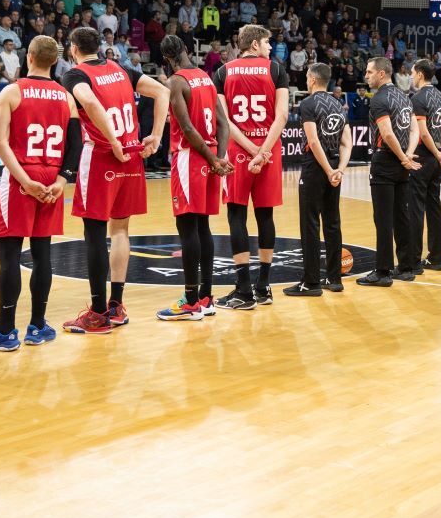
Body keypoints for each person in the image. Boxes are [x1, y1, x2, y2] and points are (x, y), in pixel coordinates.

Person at [0, 36, 92, 351]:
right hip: (51, 179)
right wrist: (62, 180)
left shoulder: (11, 92)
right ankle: (38, 326)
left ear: (30, 57)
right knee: (42, 255)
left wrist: (24, 180)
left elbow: (0, 144)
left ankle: (6, 330)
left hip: (20, 177)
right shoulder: (66, 97)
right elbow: (75, 143)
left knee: (10, 254)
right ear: (54, 61)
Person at [61, 26, 169, 334]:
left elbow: (91, 103)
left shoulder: (75, 75)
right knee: (120, 229)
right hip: (132, 157)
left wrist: (113, 140)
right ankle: (116, 306)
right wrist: (156, 136)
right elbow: (163, 91)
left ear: (73, 49)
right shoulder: (121, 69)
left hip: (102, 156)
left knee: (94, 233)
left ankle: (96, 313)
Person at [213, 24, 290, 310]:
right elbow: (282, 115)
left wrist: (251, 150)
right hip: (269, 152)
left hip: (238, 152)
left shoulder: (222, 72)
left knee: (236, 215)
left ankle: (243, 289)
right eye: (268, 43)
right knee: (265, 215)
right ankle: (264, 286)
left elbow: (225, 122)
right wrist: (264, 151)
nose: (271, 48)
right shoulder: (275, 69)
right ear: (255, 44)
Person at [156, 35, 233, 319]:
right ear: (187, 50)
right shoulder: (206, 77)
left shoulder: (176, 81)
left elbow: (187, 128)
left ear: (166, 58)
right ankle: (206, 297)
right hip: (211, 155)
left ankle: (190, 300)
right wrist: (220, 156)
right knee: (203, 227)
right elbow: (223, 123)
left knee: (187, 227)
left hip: (191, 157)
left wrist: (213, 159)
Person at [285, 62, 351, 296]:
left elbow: (313, 142)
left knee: (310, 223)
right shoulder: (338, 104)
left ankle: (311, 282)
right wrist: (339, 170)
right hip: (334, 166)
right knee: (332, 222)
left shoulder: (308, 103)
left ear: (312, 79)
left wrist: (326, 170)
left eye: (306, 76)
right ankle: (334, 279)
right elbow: (347, 141)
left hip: (315, 167)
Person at [357, 56, 420, 286]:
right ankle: (405, 267)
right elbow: (415, 130)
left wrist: (403, 157)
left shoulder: (379, 99)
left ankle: (382, 272)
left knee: (383, 218)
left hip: (386, 161)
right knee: (401, 216)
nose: (366, 76)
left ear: (381, 74)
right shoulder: (404, 97)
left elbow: (387, 133)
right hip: (402, 161)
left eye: (369, 72)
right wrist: (408, 155)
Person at [408, 58, 441, 273]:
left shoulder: (418, 98)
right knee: (434, 207)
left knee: (416, 208)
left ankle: (413, 262)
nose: (411, 77)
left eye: (413, 73)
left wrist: (435, 152)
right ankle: (436, 258)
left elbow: (422, 132)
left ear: (421, 74)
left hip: (424, 156)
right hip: (437, 157)